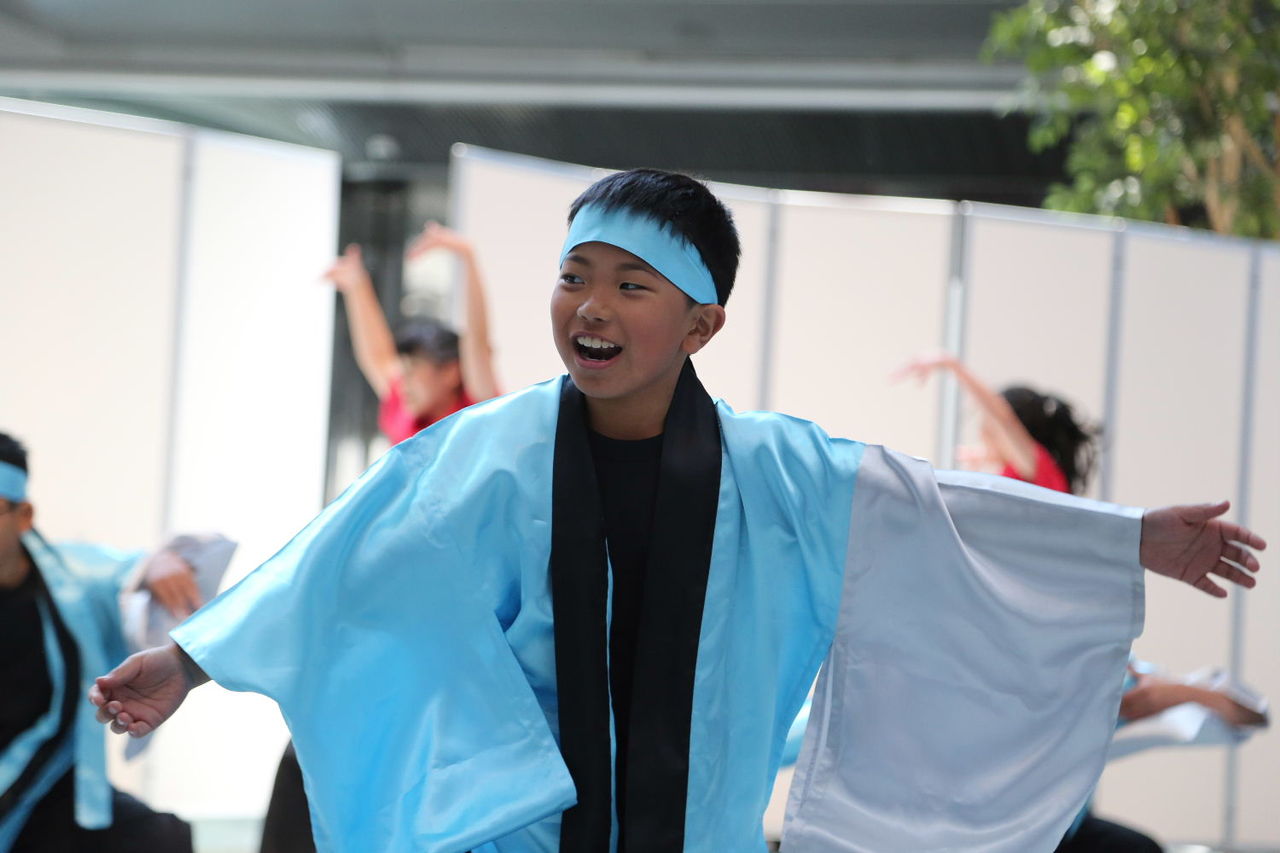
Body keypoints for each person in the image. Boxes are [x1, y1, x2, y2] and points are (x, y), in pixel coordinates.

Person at [91, 170, 1266, 853]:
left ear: (702, 322)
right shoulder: (488, 453)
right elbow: (342, 555)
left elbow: (938, 511)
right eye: (573, 276)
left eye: (629, 284)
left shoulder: (778, 470)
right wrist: (190, 660)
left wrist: (1128, 538)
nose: (589, 307)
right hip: (521, 827)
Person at [0, 431, 199, 852]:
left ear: (24, 515)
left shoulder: (71, 583)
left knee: (159, 838)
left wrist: (159, 565)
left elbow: (127, 574)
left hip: (48, 784)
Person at [325, 222, 500, 444]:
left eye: (413, 368)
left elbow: (476, 342)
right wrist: (356, 286)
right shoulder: (404, 413)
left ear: (450, 372)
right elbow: (377, 356)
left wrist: (466, 256)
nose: (403, 382)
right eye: (404, 369)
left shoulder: (475, 407)